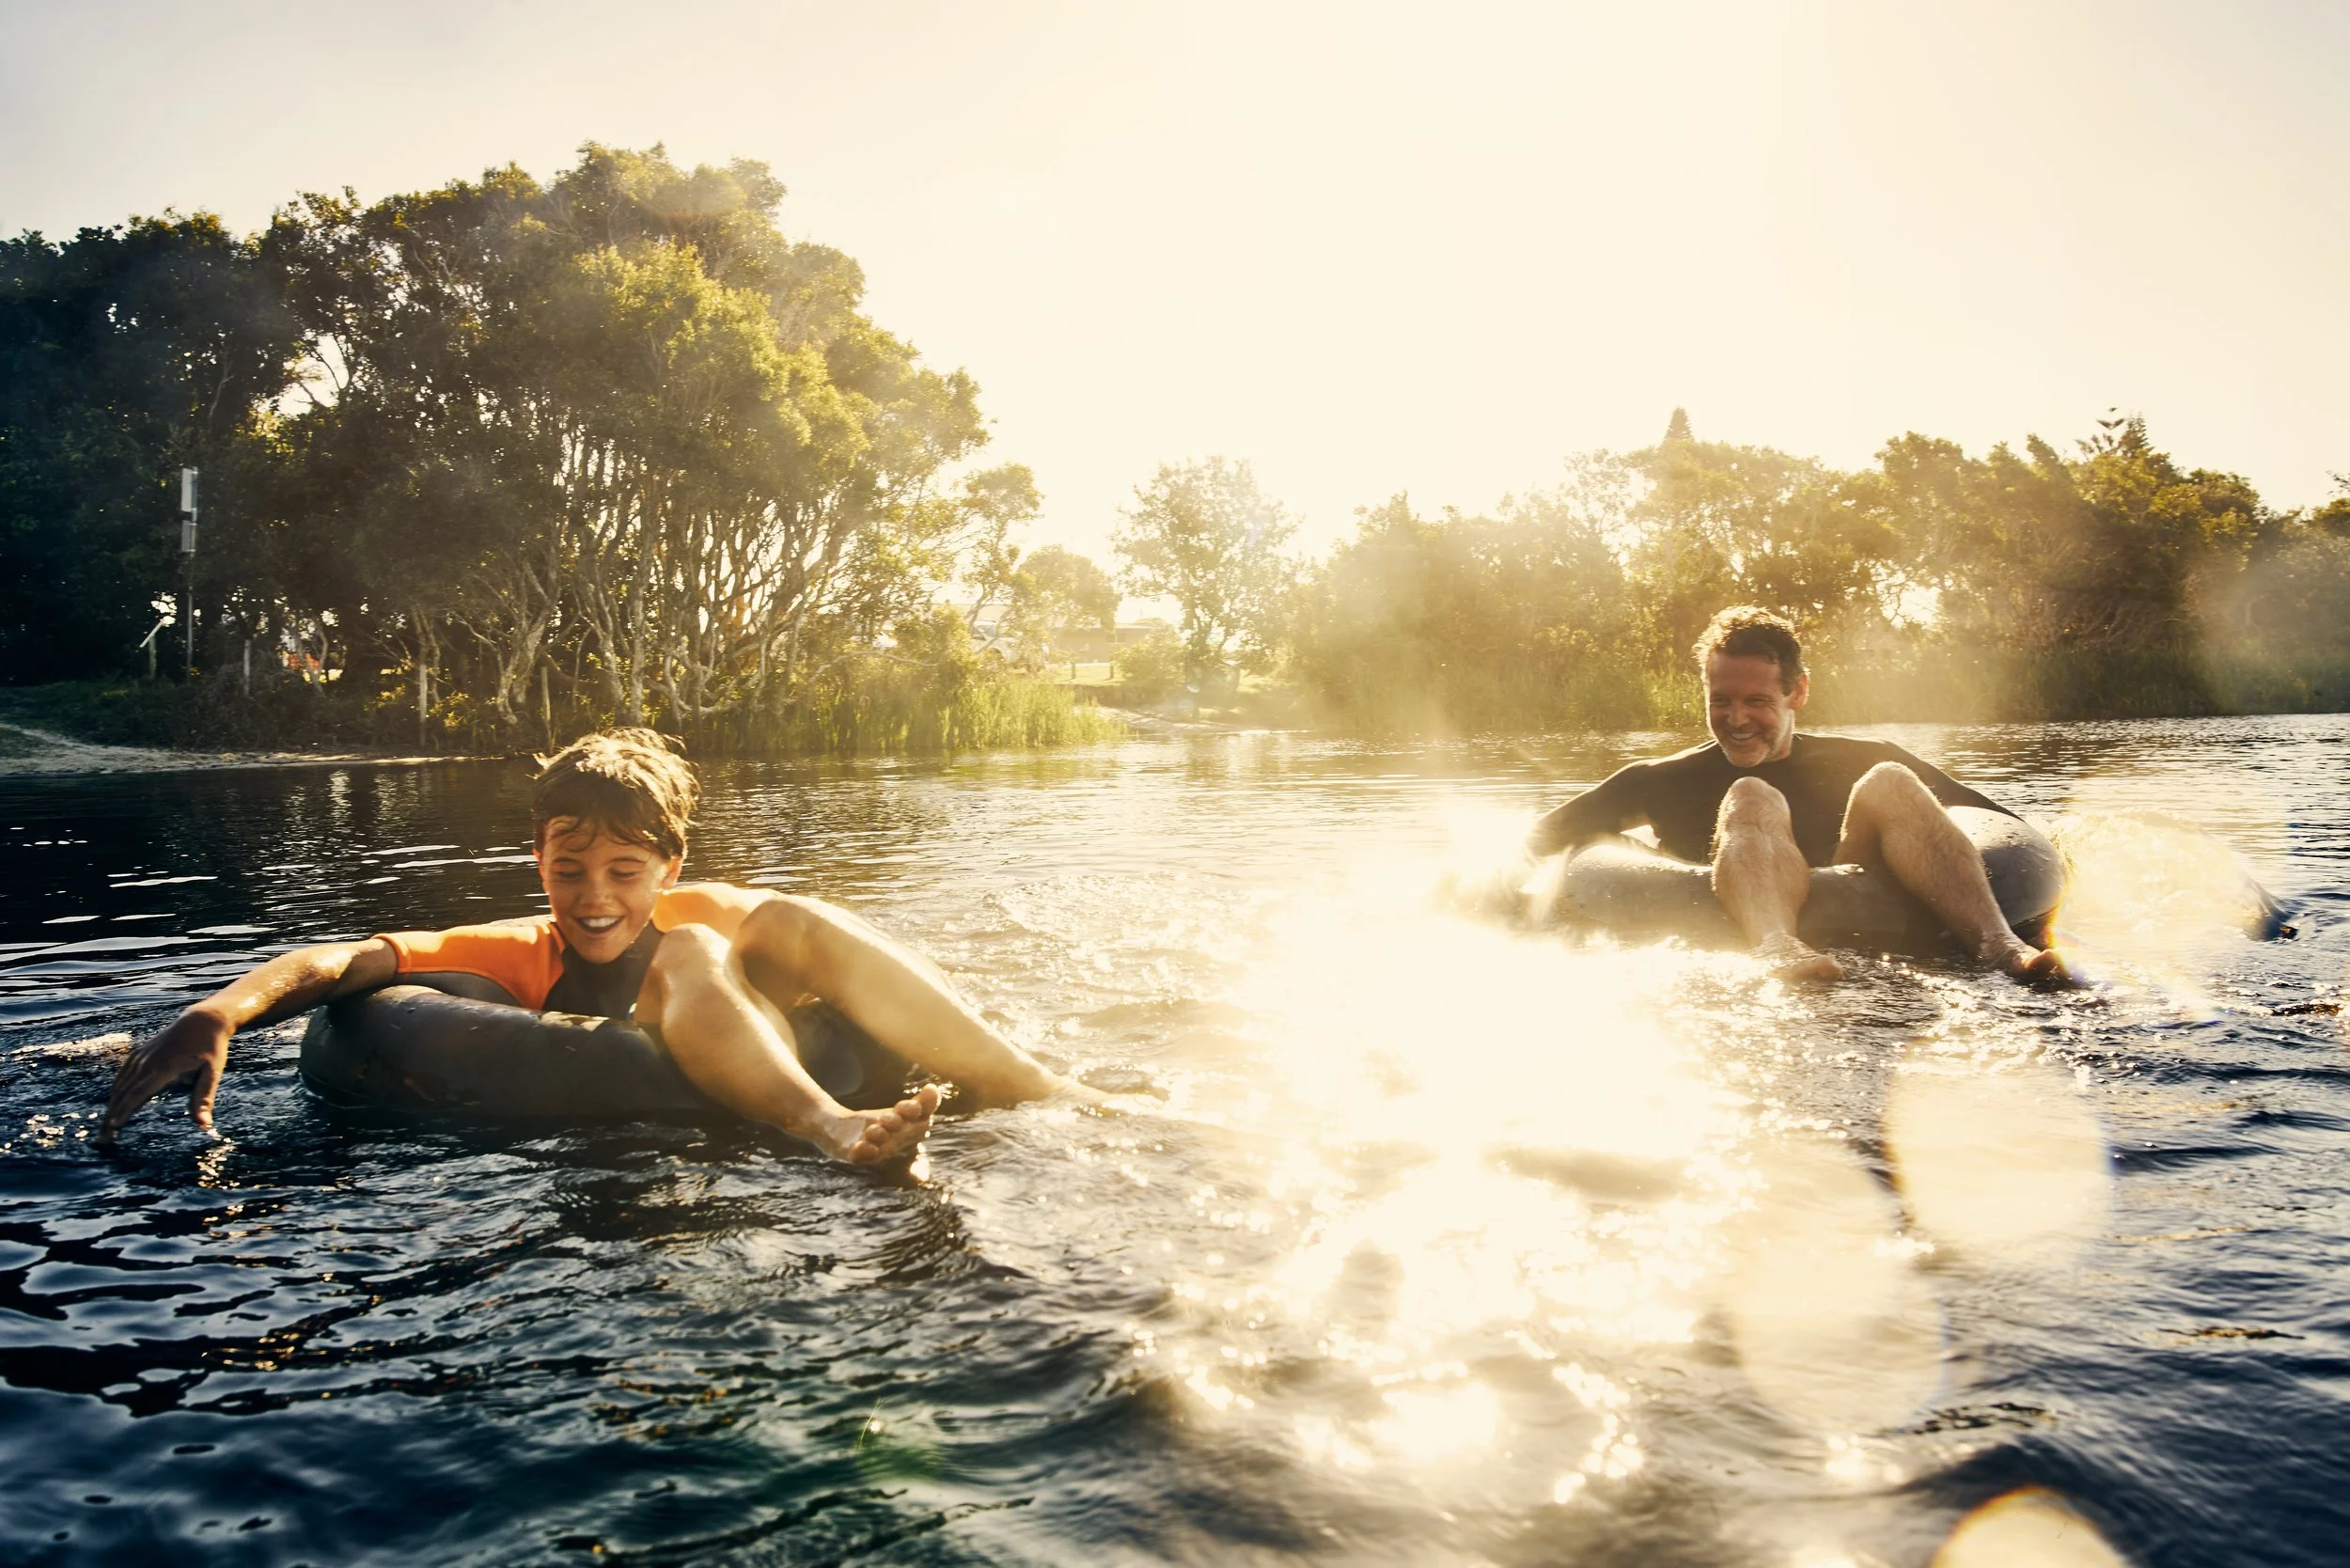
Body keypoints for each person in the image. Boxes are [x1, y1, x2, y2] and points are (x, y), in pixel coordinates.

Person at [101, 729, 1066, 1162]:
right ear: (537, 860)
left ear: (670, 862)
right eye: (568, 871)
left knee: (731, 936)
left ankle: (1045, 1087)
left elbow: (827, 946)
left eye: (625, 872)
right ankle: (832, 1129)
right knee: (684, 956)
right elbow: (353, 962)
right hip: (620, 1091)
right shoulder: (523, 949)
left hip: (740, 1035)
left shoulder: (720, 914)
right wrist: (218, 1008)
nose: (594, 900)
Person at [1528, 607, 2067, 984]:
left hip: (1872, 910)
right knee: (1751, 795)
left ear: (1798, 691)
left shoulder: (1862, 755)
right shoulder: (1657, 780)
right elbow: (1535, 843)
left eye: (1757, 701)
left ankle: (2000, 946)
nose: (1737, 720)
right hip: (1740, 921)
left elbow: (1998, 826)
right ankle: (1776, 945)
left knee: (1893, 781)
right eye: (1721, 700)